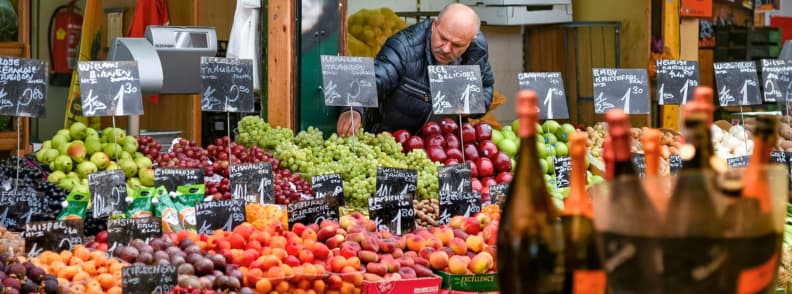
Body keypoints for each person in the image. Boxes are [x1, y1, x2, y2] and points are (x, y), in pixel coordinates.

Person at [336, 3, 494, 136]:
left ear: (471, 40)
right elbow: (374, 78)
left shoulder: (477, 48)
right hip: (397, 139)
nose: (446, 49)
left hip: (443, 145)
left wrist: (470, 106)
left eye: (457, 45)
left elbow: (485, 87)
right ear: (435, 24)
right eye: (443, 38)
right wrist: (354, 109)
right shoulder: (404, 46)